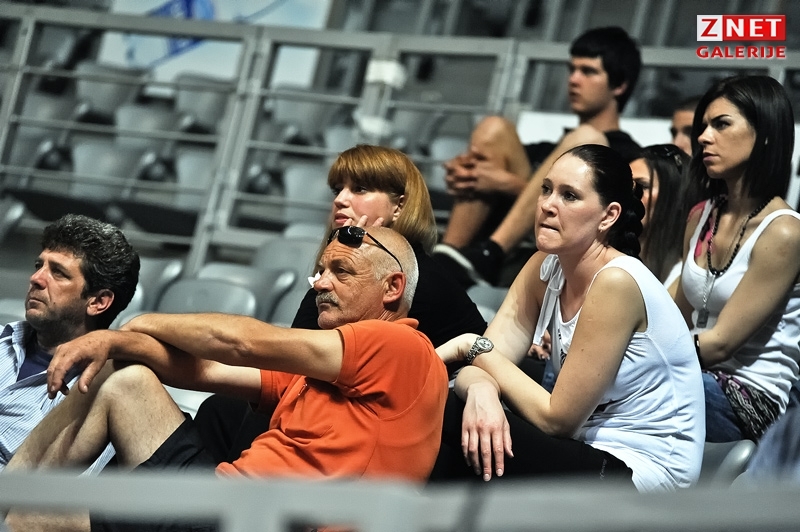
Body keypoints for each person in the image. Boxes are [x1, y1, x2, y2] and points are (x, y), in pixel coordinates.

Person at [5, 226, 449, 532]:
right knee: (124, 375)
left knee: (36, 519)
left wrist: (139, 323)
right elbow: (206, 369)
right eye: (321, 270)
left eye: (341, 272)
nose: (319, 283)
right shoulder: (322, 370)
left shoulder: (402, 347)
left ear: (392, 288)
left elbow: (237, 342)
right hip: (221, 501)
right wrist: (115, 342)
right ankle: (14, 488)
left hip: (247, 519)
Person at [432, 144, 704, 491]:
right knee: (461, 413)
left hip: (642, 473)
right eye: (546, 189)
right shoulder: (544, 266)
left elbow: (557, 419)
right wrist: (481, 389)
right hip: (584, 446)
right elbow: (484, 364)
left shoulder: (617, 281)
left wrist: (471, 346)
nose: (547, 204)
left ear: (608, 216)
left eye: (569, 196)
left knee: (450, 419)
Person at [194, 144, 486, 463]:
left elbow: (483, 348)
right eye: (338, 189)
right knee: (221, 409)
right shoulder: (338, 272)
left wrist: (479, 386)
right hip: (350, 403)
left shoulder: (421, 277)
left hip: (409, 429)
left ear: (399, 206)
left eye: (359, 189)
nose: (340, 199)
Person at [433, 26, 642, 287]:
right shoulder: (543, 149)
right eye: (572, 69)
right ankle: (448, 258)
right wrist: (467, 174)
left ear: (619, 85)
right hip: (496, 256)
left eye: (588, 71)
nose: (573, 79)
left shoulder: (629, 157)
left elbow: (602, 218)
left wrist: (505, 184)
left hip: (557, 262)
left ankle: (490, 253)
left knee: (584, 137)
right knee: (493, 129)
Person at [674, 74, 800, 443]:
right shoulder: (701, 216)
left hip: (749, 398)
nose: (703, 137)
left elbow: (721, 345)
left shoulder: (785, 232)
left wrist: (628, 355)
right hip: (691, 376)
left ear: (764, 134)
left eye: (721, 124)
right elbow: (674, 312)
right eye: (703, 126)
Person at [0, 213, 139, 471]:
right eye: (39, 265)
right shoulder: (2, 340)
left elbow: (54, 491)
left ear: (98, 302)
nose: (36, 278)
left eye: (58, 272)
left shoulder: (98, 397)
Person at [631, 144, 694, 296]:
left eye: (642, 186)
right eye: (624, 185)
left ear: (676, 196)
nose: (627, 195)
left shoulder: (685, 279)